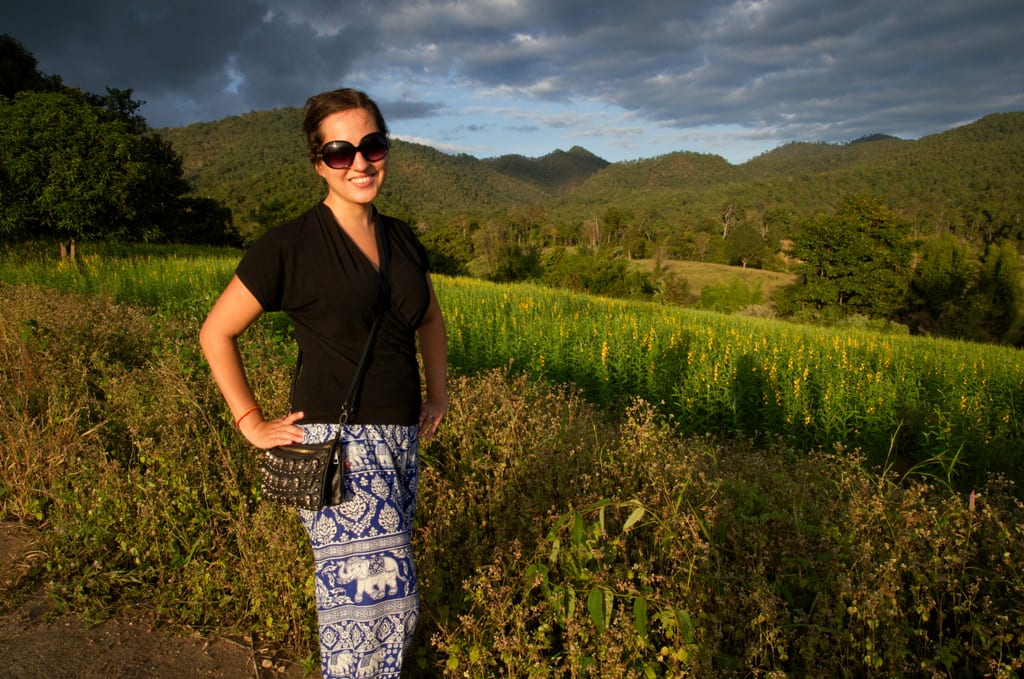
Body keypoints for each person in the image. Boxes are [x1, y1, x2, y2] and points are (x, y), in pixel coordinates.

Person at [199, 88, 448, 678]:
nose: (360, 162)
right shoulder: (289, 245)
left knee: (369, 597)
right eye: (340, 152)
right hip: (340, 446)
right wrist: (249, 421)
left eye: (372, 145)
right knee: (378, 600)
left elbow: (431, 319)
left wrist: (438, 393)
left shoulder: (403, 239)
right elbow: (217, 333)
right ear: (319, 163)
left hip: (399, 439)